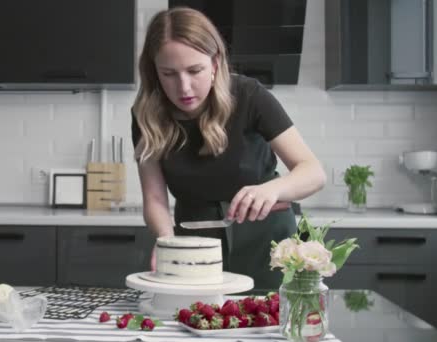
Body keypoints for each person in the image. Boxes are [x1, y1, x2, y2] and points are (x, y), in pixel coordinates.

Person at [131, 7, 326, 291]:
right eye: (169, 73)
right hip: (193, 246)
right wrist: (165, 240)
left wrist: (271, 190)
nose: (184, 87)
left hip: (267, 242)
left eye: (194, 70)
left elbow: (313, 172)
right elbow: (155, 199)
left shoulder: (249, 95)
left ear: (214, 62)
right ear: (154, 71)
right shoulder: (145, 115)